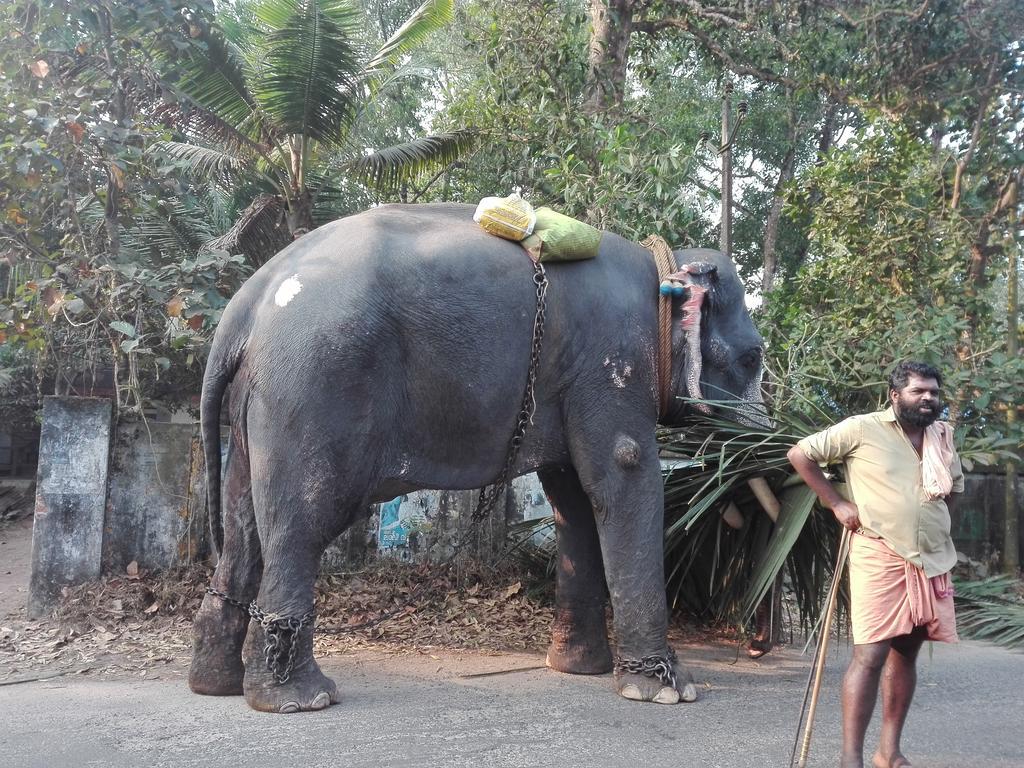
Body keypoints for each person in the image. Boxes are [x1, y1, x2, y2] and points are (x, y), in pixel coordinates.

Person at [787, 360, 964, 768]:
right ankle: (852, 758)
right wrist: (837, 503)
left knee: (906, 654)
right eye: (918, 391)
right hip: (878, 551)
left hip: (932, 558)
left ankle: (889, 751)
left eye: (934, 392)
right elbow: (800, 454)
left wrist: (933, 523)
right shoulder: (862, 428)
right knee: (870, 656)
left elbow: (954, 488)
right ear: (895, 395)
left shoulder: (943, 434)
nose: (928, 399)